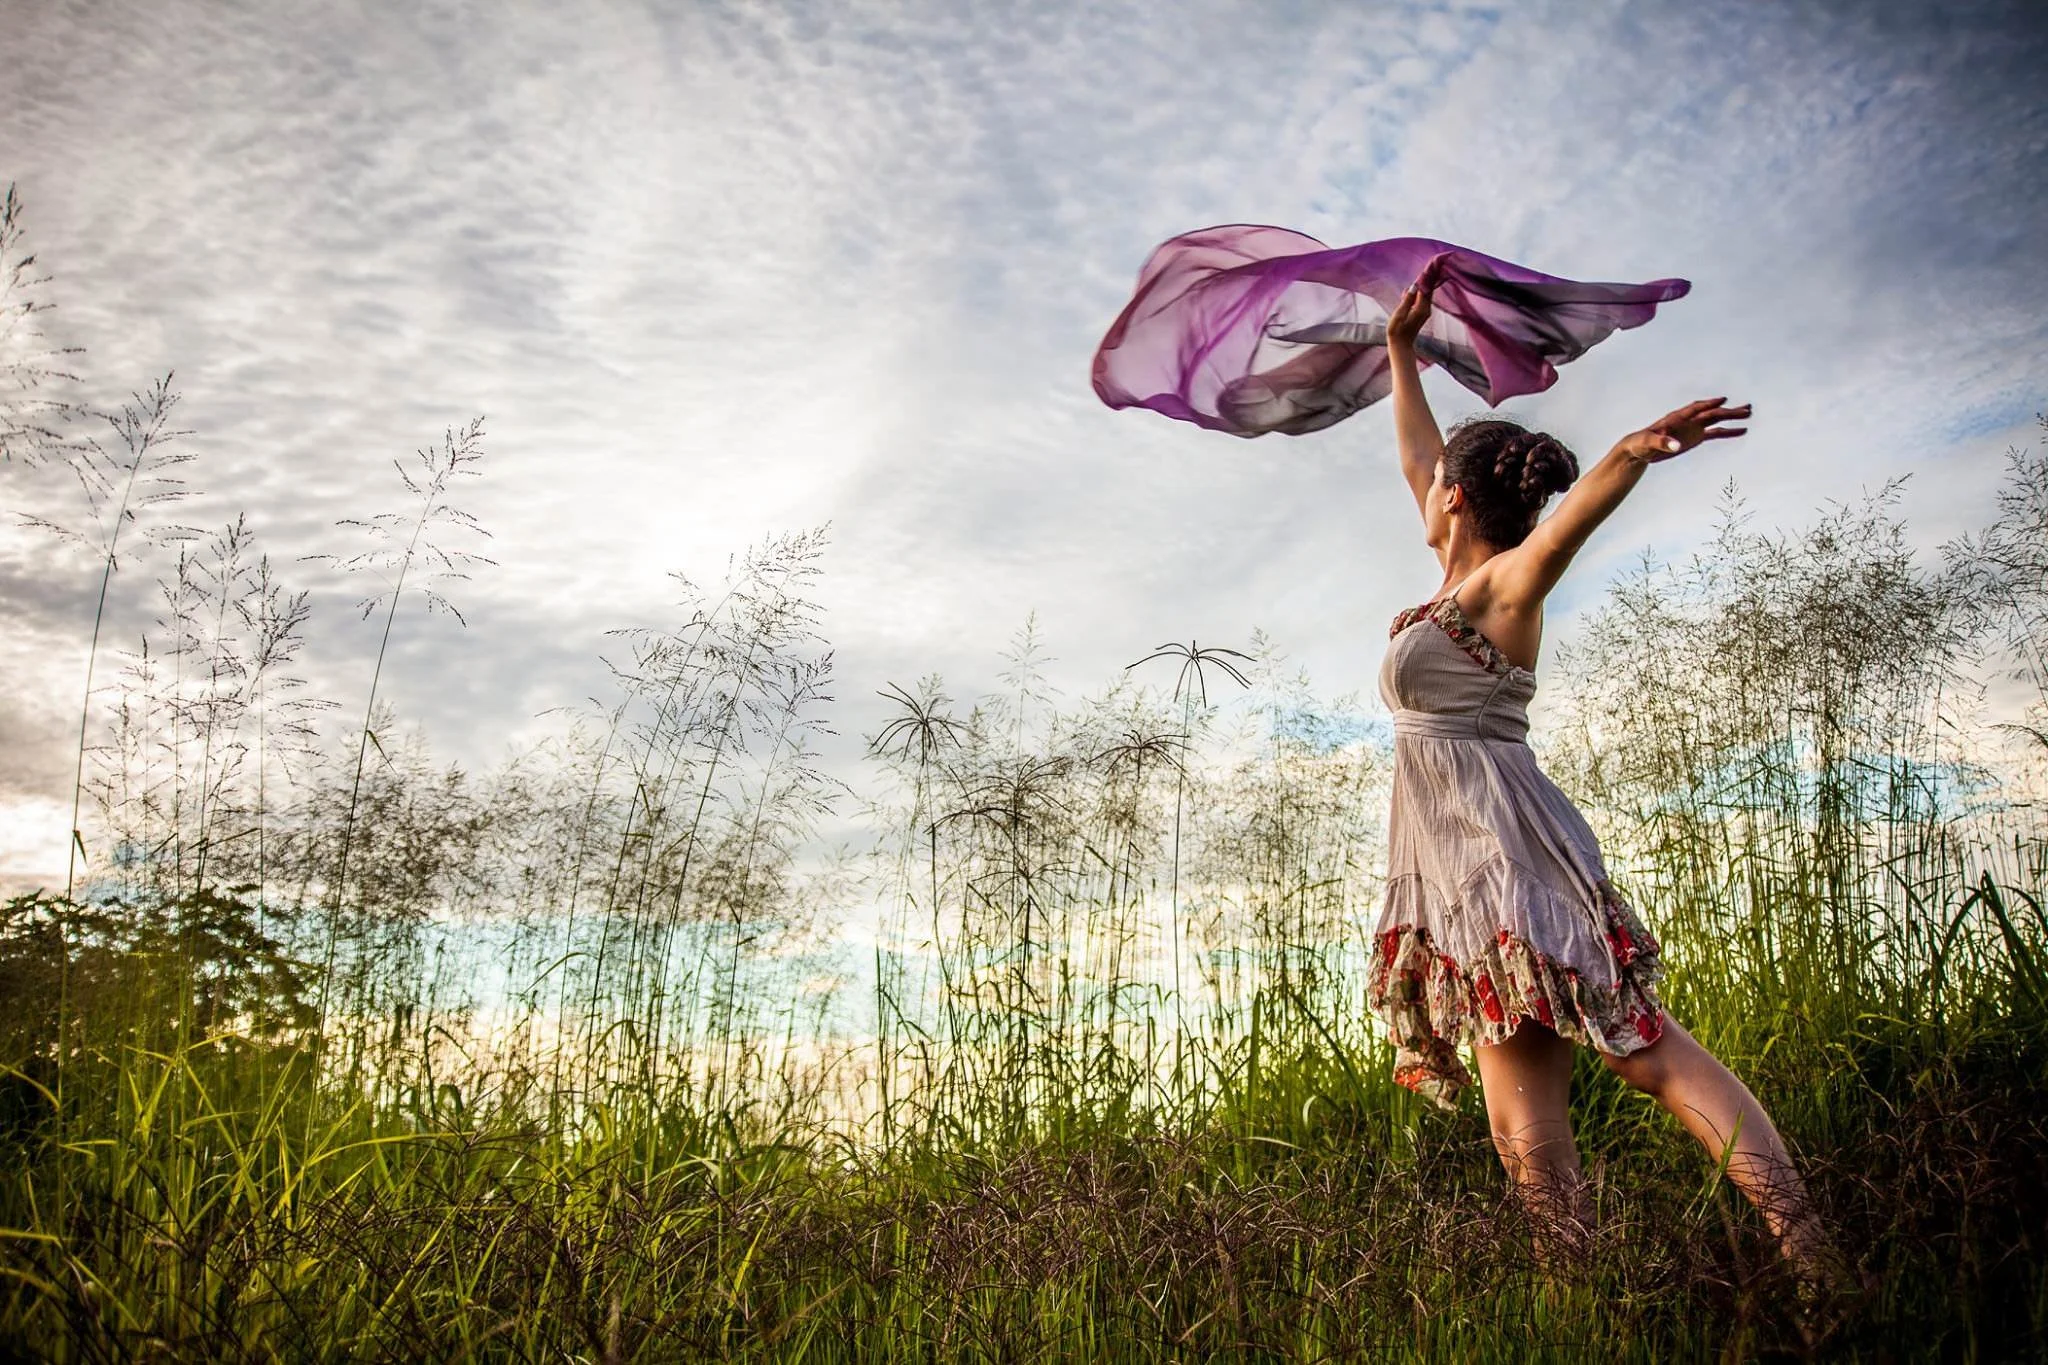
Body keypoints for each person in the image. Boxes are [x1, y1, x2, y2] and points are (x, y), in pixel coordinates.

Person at [1365, 277, 1833, 1280]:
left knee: (1640, 1050)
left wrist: (1629, 452)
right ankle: (1574, 1299)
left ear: (1457, 498)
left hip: (1509, 852)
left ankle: (1814, 1258)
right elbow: (1415, 451)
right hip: (1452, 876)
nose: (1421, 481)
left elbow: (1562, 530)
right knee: (1514, 1119)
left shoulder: (1499, 588)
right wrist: (1400, 351)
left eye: (1434, 479)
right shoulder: (1448, 576)